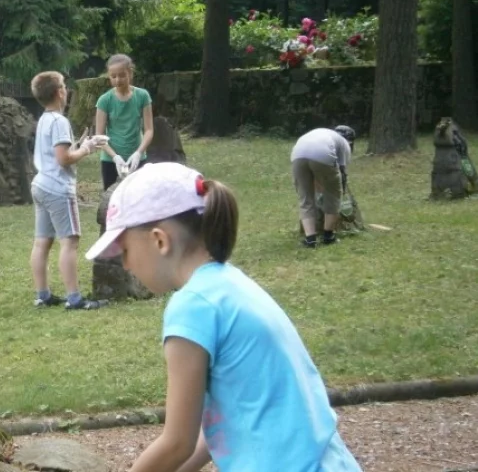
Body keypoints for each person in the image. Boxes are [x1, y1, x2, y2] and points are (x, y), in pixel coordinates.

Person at [85, 162, 362, 472]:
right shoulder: (230, 285)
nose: (125, 265)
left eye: (124, 251)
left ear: (159, 240)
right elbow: (218, 428)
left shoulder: (191, 306)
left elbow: (177, 443)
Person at [29, 71, 108, 310]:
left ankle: (43, 295)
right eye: (64, 85)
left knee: (42, 242)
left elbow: (55, 154)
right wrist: (88, 148)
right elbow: (64, 159)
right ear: (59, 92)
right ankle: (74, 299)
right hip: (58, 188)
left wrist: (79, 146)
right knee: (70, 240)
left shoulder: (44, 118)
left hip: (41, 184)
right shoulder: (60, 121)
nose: (66, 89)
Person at [95, 54, 154, 190]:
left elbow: (149, 130)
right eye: (113, 76)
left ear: (130, 73)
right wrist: (115, 157)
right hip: (110, 160)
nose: (117, 80)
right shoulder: (104, 100)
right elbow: (99, 134)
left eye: (122, 75)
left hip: (137, 158)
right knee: (112, 201)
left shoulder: (142, 96)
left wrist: (139, 153)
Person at [291, 125, 355, 248]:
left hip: (297, 155)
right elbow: (342, 171)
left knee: (305, 198)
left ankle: (310, 240)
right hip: (322, 153)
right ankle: (328, 236)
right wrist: (342, 191)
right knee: (333, 195)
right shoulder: (344, 143)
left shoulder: (323, 133)